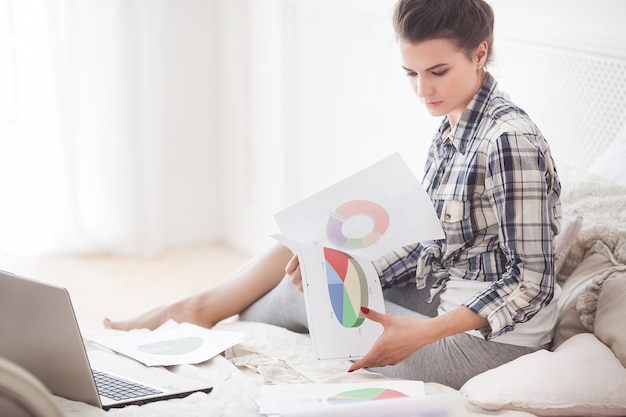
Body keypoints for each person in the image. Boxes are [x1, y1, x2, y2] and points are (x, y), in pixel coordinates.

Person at [105, 0, 562, 390]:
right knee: (306, 252)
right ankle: (197, 308)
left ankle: (200, 311)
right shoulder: (454, 125)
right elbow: (436, 247)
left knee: (296, 298)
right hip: (448, 293)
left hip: (490, 341)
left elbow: (532, 284)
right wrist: (345, 266)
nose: (423, 90)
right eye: (411, 73)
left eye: (437, 72)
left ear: (480, 54)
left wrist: (421, 334)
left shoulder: (507, 139)